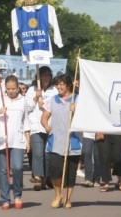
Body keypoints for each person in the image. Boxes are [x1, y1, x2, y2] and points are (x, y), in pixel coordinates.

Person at [41, 74, 81, 209]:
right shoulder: (52, 100)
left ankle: (68, 199)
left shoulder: (78, 99)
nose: (59, 87)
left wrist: (76, 111)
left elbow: (85, 120)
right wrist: (46, 126)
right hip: (55, 141)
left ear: (68, 85)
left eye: (62, 84)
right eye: (57, 84)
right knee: (56, 170)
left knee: (70, 173)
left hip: (73, 141)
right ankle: (58, 195)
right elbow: (44, 117)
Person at [0, 75, 30, 210]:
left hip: (18, 140)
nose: (11, 91)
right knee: (3, 170)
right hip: (1, 140)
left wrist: (28, 140)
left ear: (18, 88)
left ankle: (18, 195)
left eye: (13, 88)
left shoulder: (23, 100)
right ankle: (5, 199)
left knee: (17, 167)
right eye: (8, 89)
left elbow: (26, 121)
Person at [26, 66, 57, 191]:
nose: (46, 78)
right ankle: (38, 177)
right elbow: (27, 108)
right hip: (36, 127)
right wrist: (35, 98)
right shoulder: (31, 90)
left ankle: (45, 177)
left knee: (47, 154)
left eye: (48, 75)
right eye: (44, 75)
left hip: (50, 126)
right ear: (38, 76)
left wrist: (45, 103)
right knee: (38, 153)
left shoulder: (54, 90)